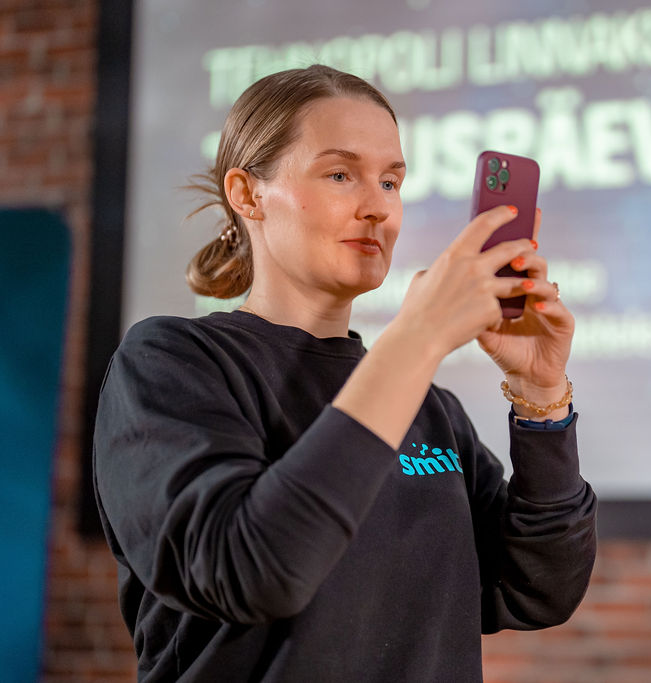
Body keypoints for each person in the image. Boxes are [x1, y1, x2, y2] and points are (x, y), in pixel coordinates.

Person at [93, 65, 597, 682]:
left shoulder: (430, 408)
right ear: (247, 194)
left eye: (391, 181)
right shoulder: (171, 363)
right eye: (340, 175)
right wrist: (418, 337)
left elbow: (537, 589)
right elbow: (253, 571)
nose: (378, 208)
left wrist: (540, 395)